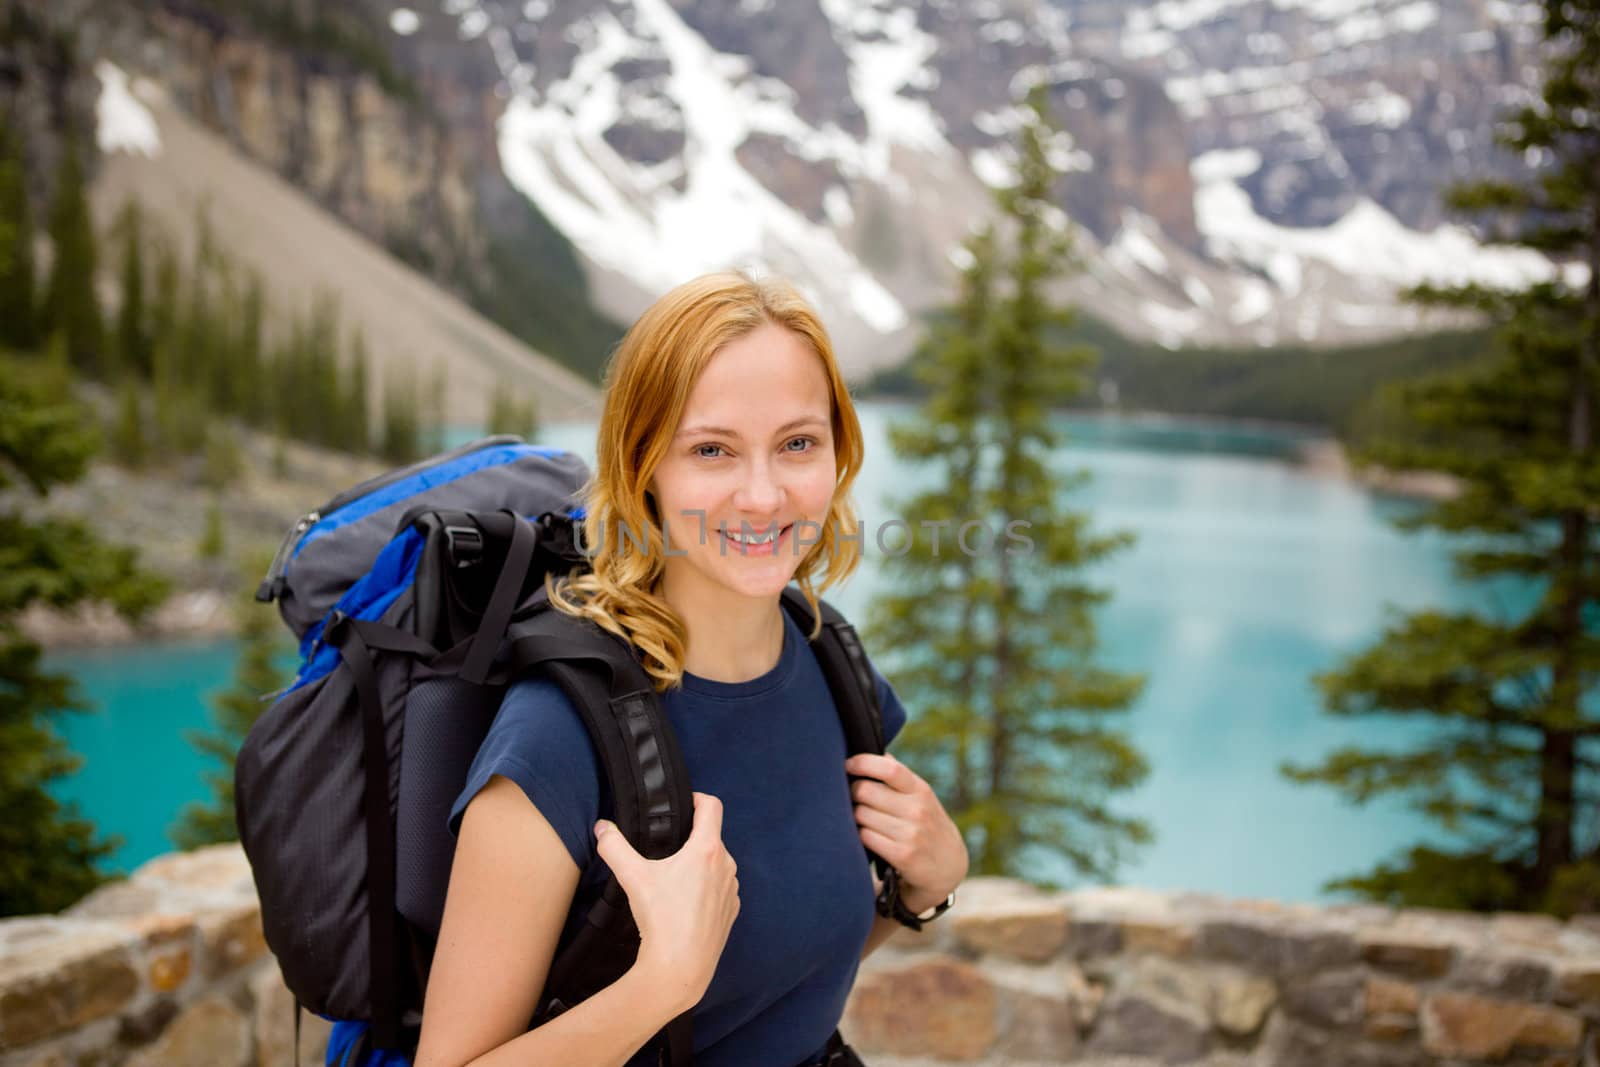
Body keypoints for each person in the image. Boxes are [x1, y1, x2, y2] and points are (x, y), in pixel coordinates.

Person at [412, 271, 969, 1067]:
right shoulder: (558, 734)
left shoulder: (832, 661)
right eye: (711, 449)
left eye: (798, 443)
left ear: (840, 454)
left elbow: (787, 972)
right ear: (644, 468)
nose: (763, 494)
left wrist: (925, 889)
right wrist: (660, 983)